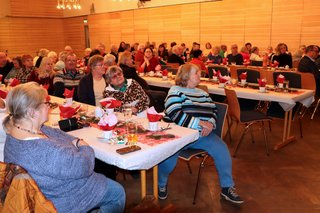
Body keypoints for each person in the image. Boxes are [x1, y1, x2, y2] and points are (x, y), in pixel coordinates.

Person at [3, 82, 125, 213]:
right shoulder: (46, 151)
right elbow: (86, 166)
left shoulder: (15, 133)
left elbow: (58, 134)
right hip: (63, 198)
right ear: (32, 112)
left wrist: (75, 142)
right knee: (117, 193)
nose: (48, 107)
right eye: (46, 103)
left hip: (50, 188)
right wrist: (83, 146)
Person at [158, 63, 243, 204]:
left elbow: (214, 110)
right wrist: (199, 124)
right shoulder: (175, 91)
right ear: (186, 76)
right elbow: (175, 114)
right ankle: (161, 183)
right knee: (168, 161)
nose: (200, 75)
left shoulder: (202, 93)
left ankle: (227, 188)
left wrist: (210, 123)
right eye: (196, 73)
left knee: (222, 149)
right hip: (178, 135)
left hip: (201, 135)